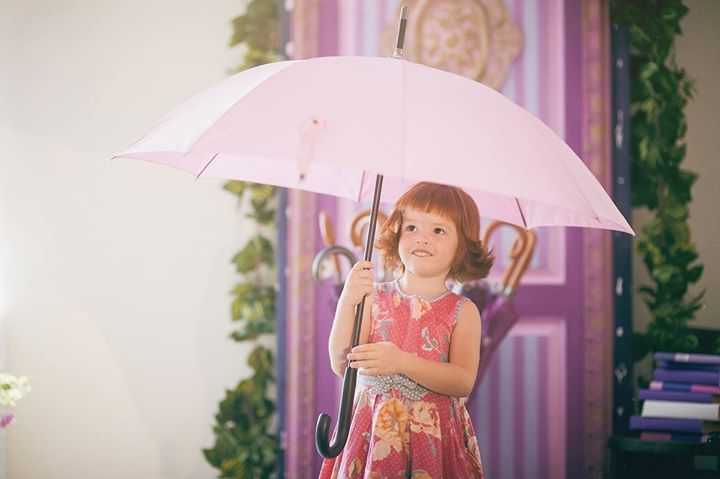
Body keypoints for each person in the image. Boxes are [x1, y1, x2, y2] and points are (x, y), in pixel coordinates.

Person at [319, 182, 494, 478]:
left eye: (438, 231)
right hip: (372, 433)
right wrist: (348, 303)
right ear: (396, 234)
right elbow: (341, 362)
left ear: (462, 245)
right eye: (411, 227)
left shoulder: (462, 311)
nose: (422, 238)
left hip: (432, 437)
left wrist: (401, 362)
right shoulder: (373, 297)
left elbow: (462, 381)